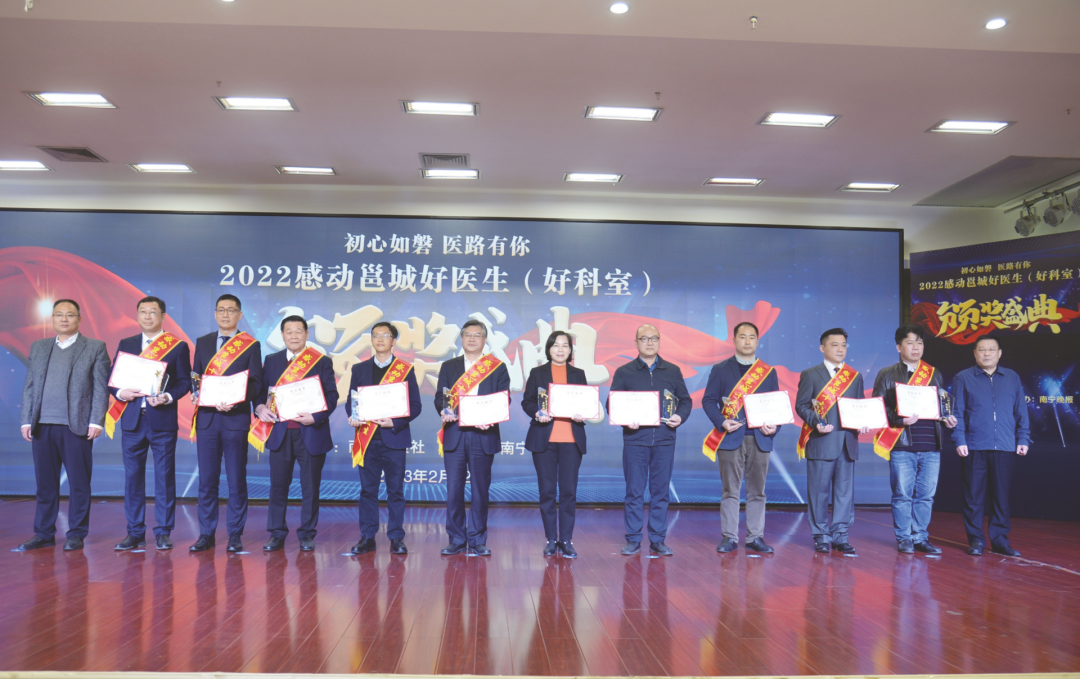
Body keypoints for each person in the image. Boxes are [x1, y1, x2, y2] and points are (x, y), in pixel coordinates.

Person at [16, 299, 111, 552]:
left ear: (79, 319)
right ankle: (43, 533)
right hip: (41, 425)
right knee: (45, 484)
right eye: (59, 315)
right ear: (53, 319)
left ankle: (76, 533)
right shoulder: (39, 347)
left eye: (70, 315)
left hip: (76, 426)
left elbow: (100, 388)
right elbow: (30, 385)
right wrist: (26, 419)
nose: (64, 319)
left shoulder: (94, 347)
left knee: (79, 483)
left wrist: (96, 420)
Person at [107, 296, 192, 551]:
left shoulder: (177, 346)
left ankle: (163, 531)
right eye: (142, 312)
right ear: (137, 316)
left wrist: (167, 397)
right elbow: (113, 379)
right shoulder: (127, 343)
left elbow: (184, 382)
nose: (147, 316)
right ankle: (134, 532)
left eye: (153, 312)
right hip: (132, 421)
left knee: (164, 477)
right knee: (133, 478)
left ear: (163, 316)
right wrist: (121, 393)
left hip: (162, 420)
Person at [253, 315, 338, 552]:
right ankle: (277, 533)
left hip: (311, 432)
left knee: (310, 486)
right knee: (278, 486)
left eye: (298, 331)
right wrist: (259, 408)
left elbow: (332, 396)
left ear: (306, 334)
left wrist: (316, 417)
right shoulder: (271, 361)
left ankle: (307, 534)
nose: (293, 336)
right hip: (280, 433)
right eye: (288, 331)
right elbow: (260, 392)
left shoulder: (321, 361)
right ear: (282, 335)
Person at [872, 324, 956, 555]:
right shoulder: (887, 374)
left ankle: (920, 537)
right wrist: (899, 420)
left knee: (926, 496)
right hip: (902, 445)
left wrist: (947, 418)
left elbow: (941, 406)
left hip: (931, 445)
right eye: (910, 343)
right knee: (902, 495)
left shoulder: (934, 373)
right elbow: (877, 407)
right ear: (899, 347)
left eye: (919, 342)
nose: (916, 347)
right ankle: (904, 538)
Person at [189, 294, 264, 553]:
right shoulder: (203, 342)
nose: (225, 314)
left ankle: (234, 535)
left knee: (236, 480)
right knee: (206, 481)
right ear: (215, 313)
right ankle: (205, 534)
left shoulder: (251, 345)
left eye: (231, 310)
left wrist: (236, 399)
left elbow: (256, 383)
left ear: (239, 315)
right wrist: (196, 393)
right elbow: (196, 377)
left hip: (235, 419)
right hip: (207, 420)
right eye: (221, 310)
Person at [609, 324, 691, 557]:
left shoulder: (672, 371)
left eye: (654, 338)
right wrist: (626, 420)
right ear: (636, 342)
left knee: (660, 492)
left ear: (659, 341)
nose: (649, 342)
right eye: (644, 339)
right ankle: (633, 539)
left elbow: (685, 401)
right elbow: (612, 404)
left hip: (665, 439)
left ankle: (657, 539)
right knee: (634, 492)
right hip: (635, 440)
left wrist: (679, 416)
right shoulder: (624, 372)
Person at [433, 319, 511, 556]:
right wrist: (444, 409)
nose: (472, 339)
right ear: (461, 338)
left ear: (485, 339)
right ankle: (456, 538)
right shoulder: (449, 366)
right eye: (468, 334)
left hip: (483, 435)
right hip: (455, 433)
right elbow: (440, 397)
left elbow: (503, 398)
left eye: (477, 335)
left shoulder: (497, 367)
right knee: (454, 490)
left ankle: (477, 538)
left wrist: (492, 417)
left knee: (480, 490)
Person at [701, 321, 780, 554]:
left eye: (752, 337)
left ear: (757, 341)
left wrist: (774, 427)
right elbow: (708, 400)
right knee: (730, 490)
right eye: (742, 337)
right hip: (730, 437)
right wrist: (722, 422)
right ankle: (730, 537)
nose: (747, 341)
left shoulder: (768, 372)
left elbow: (776, 405)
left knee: (757, 491)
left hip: (760, 438)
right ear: (734, 340)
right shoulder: (720, 369)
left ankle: (755, 536)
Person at [345, 321, 422, 555]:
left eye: (385, 335)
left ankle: (396, 537)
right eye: (376, 335)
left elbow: (415, 406)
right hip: (367, 439)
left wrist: (395, 422)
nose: (380, 339)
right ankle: (367, 536)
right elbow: (352, 402)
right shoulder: (359, 369)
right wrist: (354, 415)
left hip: (394, 438)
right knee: (368, 490)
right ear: (371, 340)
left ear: (394, 341)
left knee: (395, 490)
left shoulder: (405, 370)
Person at [950, 335, 1030, 557]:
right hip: (973, 446)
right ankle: (976, 540)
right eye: (982, 349)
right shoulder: (963, 377)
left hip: (1005, 445)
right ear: (975, 353)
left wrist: (1023, 438)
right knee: (973, 497)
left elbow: (1021, 410)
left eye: (991, 349)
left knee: (1001, 497)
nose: (987, 354)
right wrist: (959, 439)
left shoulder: (1011, 377)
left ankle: (1000, 540)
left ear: (999, 353)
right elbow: (957, 412)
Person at [795, 328, 869, 554]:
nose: (840, 349)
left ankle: (840, 536)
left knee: (844, 494)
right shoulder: (811, 374)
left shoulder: (854, 376)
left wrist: (863, 421)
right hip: (821, 441)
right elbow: (802, 405)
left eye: (843, 345)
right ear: (822, 348)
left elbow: (859, 406)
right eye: (835, 345)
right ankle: (820, 535)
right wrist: (815, 422)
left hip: (847, 443)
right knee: (819, 493)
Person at [521, 331, 589, 558]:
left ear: (570, 350)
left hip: (571, 440)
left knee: (569, 492)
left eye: (565, 345)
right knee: (547, 492)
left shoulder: (578, 374)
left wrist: (582, 413)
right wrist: (537, 412)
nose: (560, 350)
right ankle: (551, 539)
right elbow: (527, 402)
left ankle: (566, 540)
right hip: (544, 440)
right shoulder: (537, 373)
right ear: (548, 349)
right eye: (556, 345)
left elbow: (584, 402)